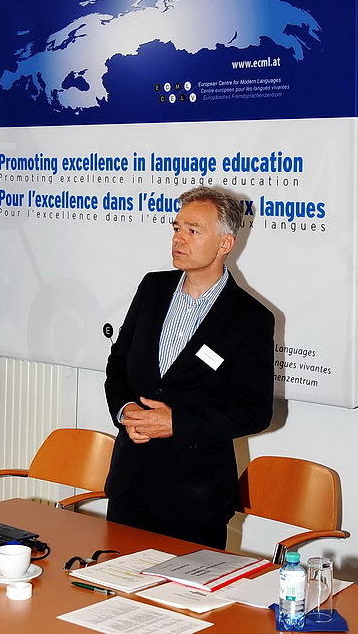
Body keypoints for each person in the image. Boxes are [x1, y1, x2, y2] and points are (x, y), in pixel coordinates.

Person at [104, 186, 274, 549]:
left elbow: (253, 412)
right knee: (115, 581)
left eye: (193, 230)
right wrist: (125, 409)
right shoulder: (152, 288)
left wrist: (177, 424)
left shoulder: (250, 318)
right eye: (176, 228)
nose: (178, 239)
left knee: (185, 587)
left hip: (195, 499)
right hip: (130, 483)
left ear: (225, 243)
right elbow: (118, 363)